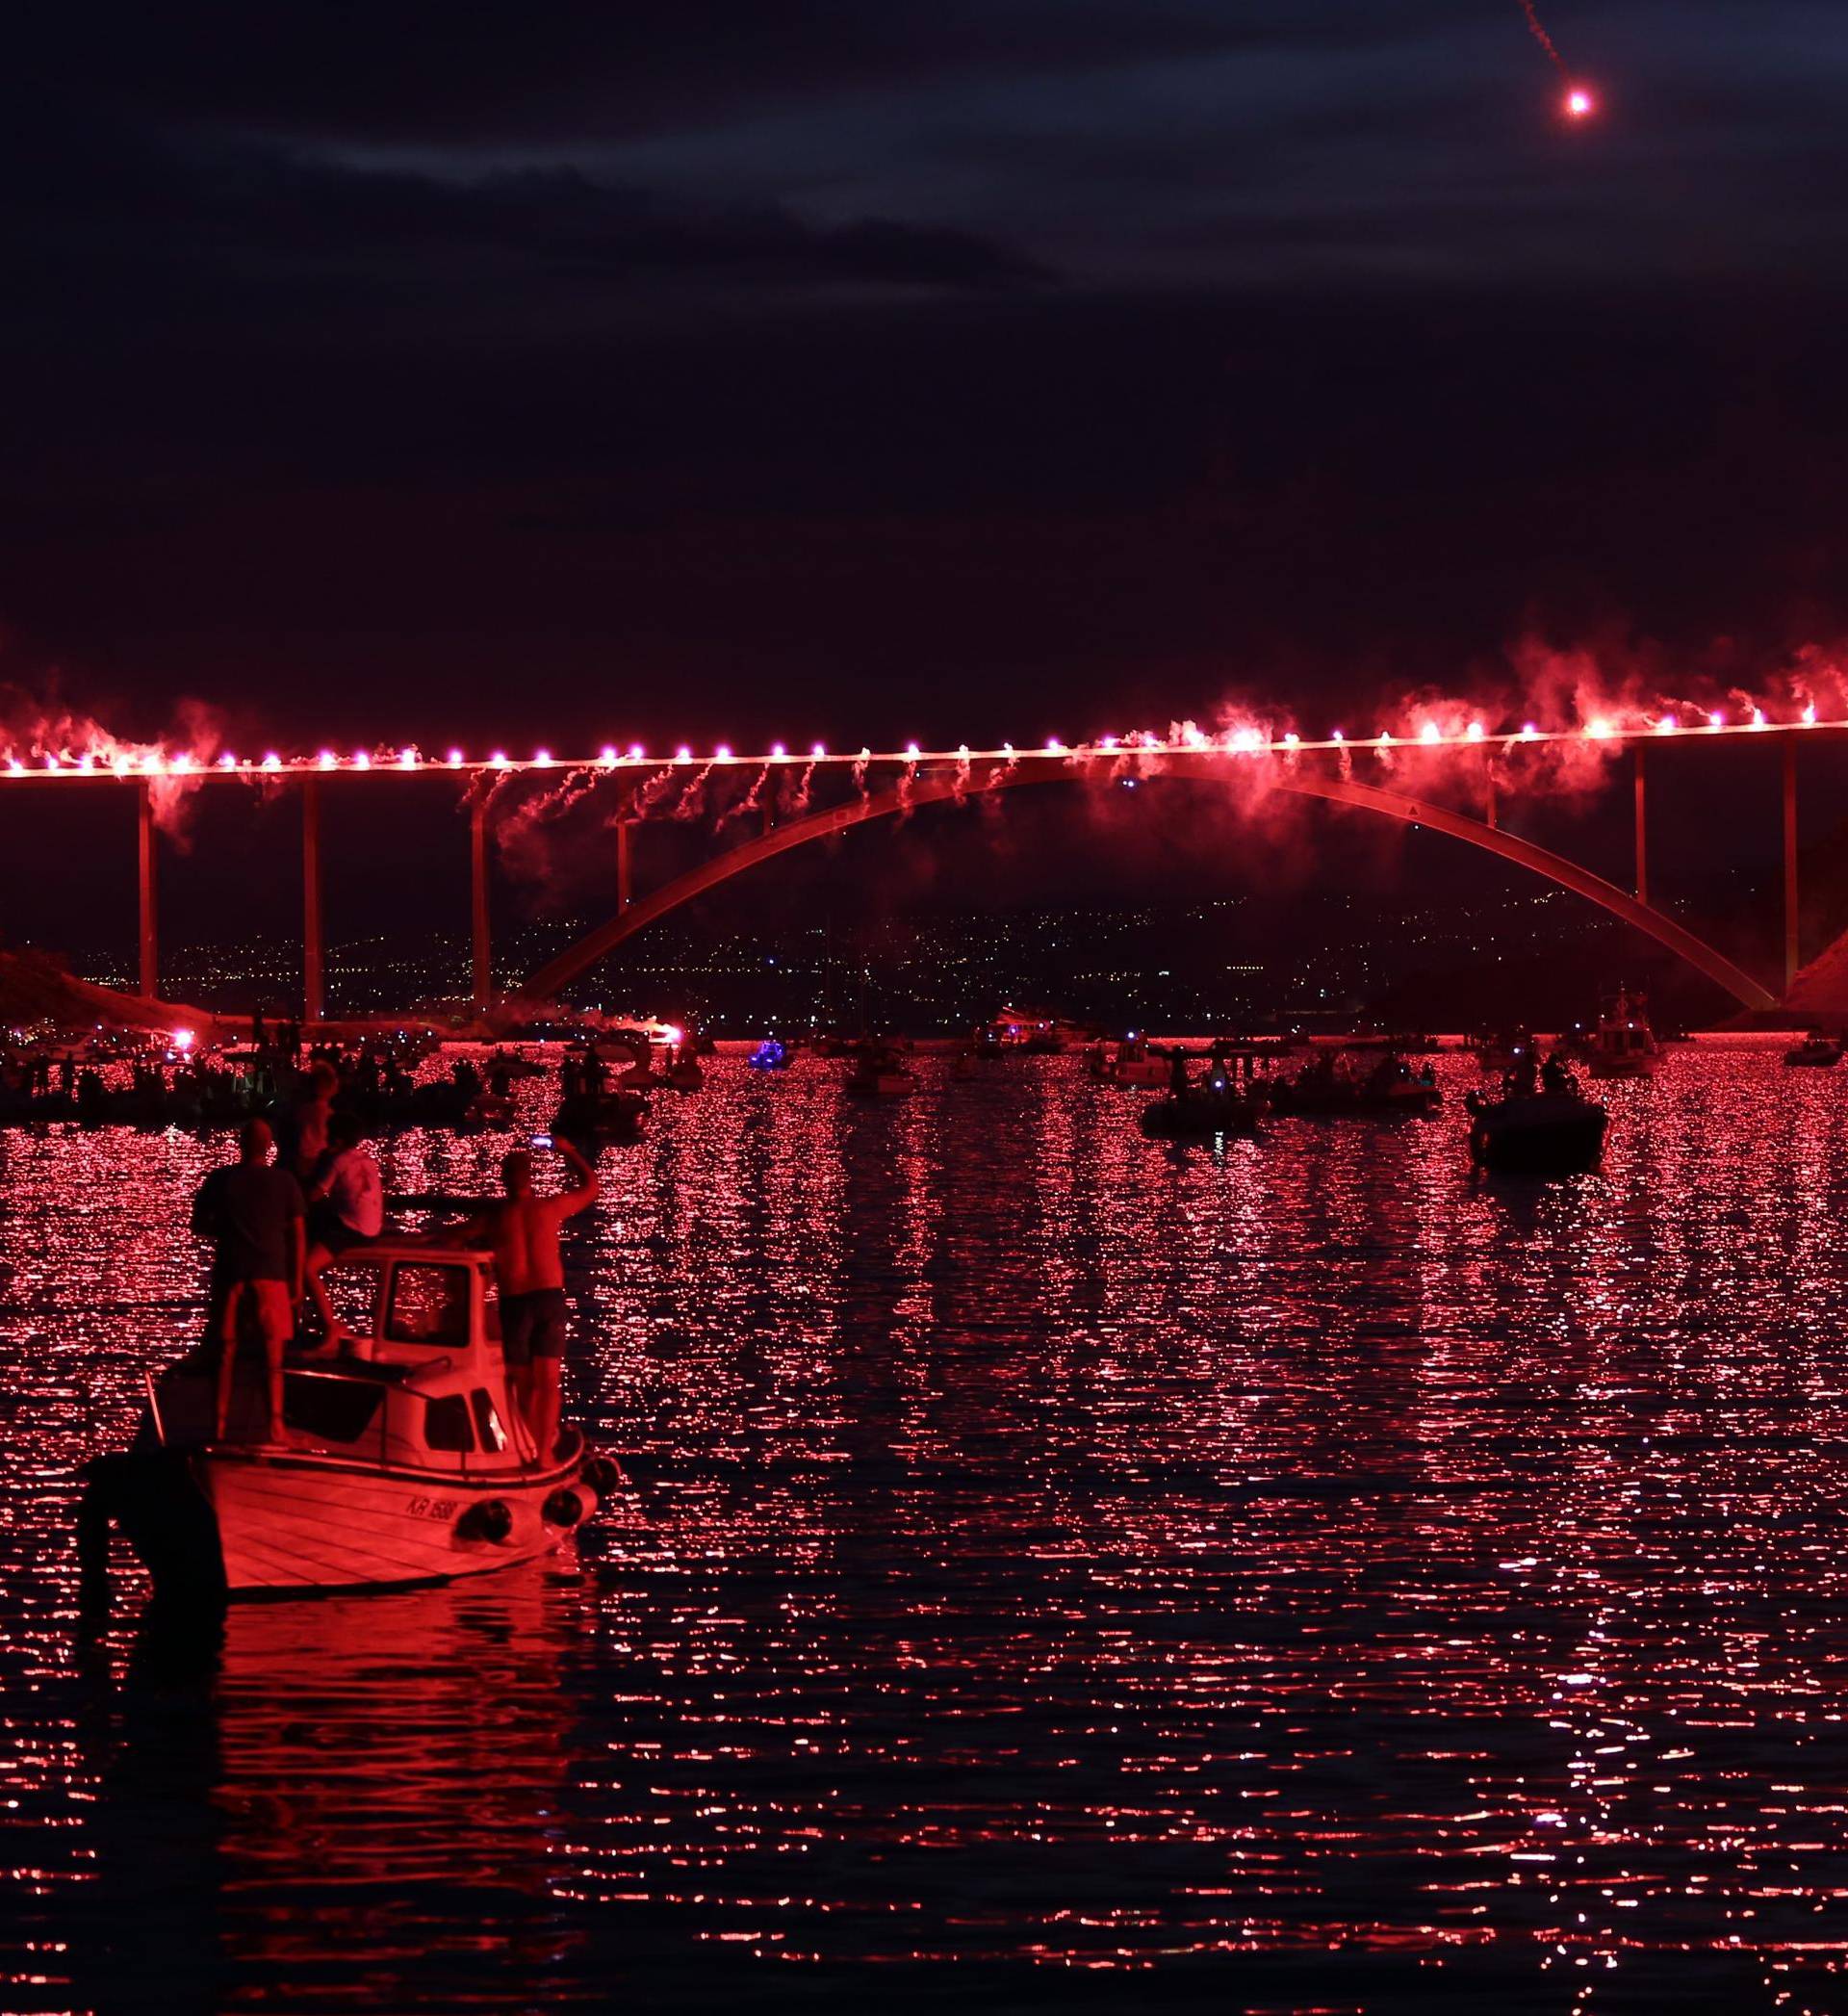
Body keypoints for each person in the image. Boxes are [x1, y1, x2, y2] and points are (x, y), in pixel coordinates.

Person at [467, 1139, 599, 1464]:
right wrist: (568, 1150)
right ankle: (542, 1455)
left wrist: (413, 1239)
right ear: (529, 1178)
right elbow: (591, 1187)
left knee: (524, 1385)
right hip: (548, 1298)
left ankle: (526, 1448)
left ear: (503, 1179)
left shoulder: (496, 1218)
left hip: (516, 1302)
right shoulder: (548, 1208)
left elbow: (455, 1235)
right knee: (548, 1382)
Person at [191, 1117, 306, 1445]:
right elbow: (298, 1234)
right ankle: (275, 1426)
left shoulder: (221, 1180)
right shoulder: (285, 1183)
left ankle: (220, 1425)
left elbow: (199, 1224)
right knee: (273, 1355)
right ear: (269, 1147)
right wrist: (297, 1282)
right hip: (272, 1275)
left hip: (233, 1272)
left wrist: (229, 1229)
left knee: (225, 1352)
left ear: (241, 1144)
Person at [304, 1112, 385, 1338]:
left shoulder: (337, 1161)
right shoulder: (366, 1160)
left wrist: (319, 1163)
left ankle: (330, 1326)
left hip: (353, 1228)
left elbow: (313, 1195)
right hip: (373, 1227)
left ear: (337, 1140)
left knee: (307, 1268)